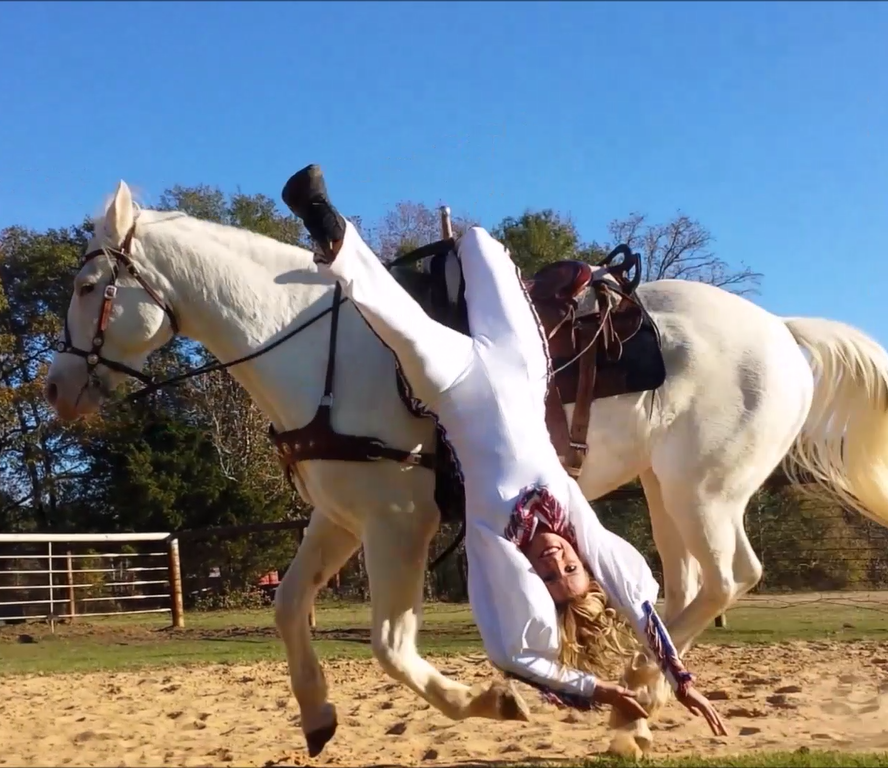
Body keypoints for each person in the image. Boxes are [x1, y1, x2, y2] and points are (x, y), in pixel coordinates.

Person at [282, 165, 727, 735]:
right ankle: (468, 255)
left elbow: (514, 655)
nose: (555, 561)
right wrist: (681, 678)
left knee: (400, 324)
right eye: (570, 567)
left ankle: (325, 223)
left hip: (455, 386)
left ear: (532, 583)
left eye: (549, 576)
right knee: (479, 243)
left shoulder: (496, 540)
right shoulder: (575, 516)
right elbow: (637, 602)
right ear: (584, 562)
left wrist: (593, 689)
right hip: (523, 366)